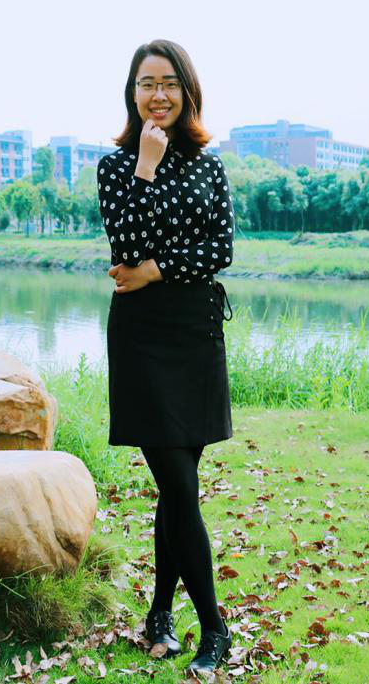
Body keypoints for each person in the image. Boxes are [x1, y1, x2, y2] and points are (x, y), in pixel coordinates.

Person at [97, 39, 235, 677]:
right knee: (179, 485)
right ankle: (215, 628)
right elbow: (124, 243)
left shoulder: (210, 165)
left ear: (188, 91)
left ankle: (158, 615)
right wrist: (146, 167)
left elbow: (220, 249)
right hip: (143, 339)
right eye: (147, 83)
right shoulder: (116, 165)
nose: (159, 94)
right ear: (132, 93)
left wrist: (154, 270)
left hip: (195, 331)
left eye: (169, 82)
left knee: (177, 490)